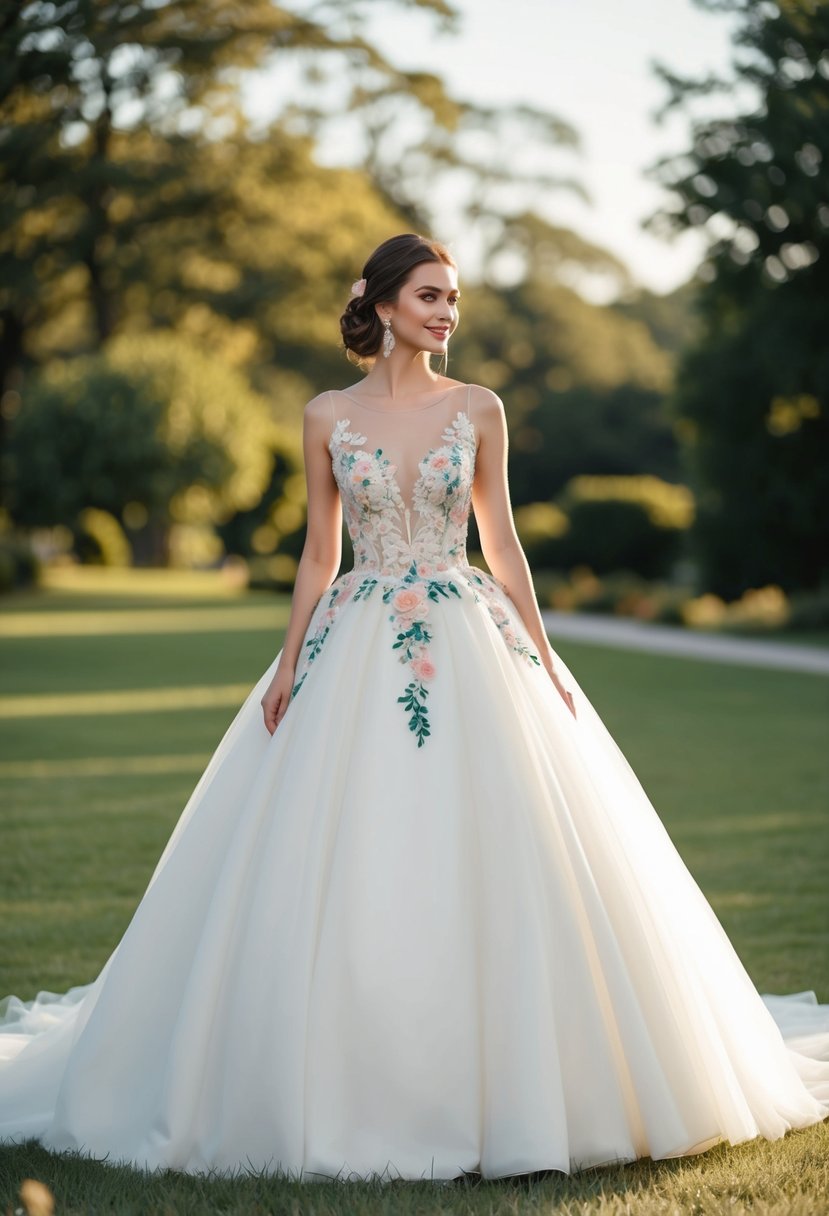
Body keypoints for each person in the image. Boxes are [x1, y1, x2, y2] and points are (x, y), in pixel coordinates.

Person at [1, 233, 827, 1184]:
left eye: (454, 299)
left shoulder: (478, 407)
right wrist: (286, 665)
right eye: (430, 296)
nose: (447, 313)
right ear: (383, 304)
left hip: (470, 637)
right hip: (355, 631)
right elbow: (321, 552)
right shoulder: (323, 414)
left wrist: (545, 658)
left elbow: (501, 543)